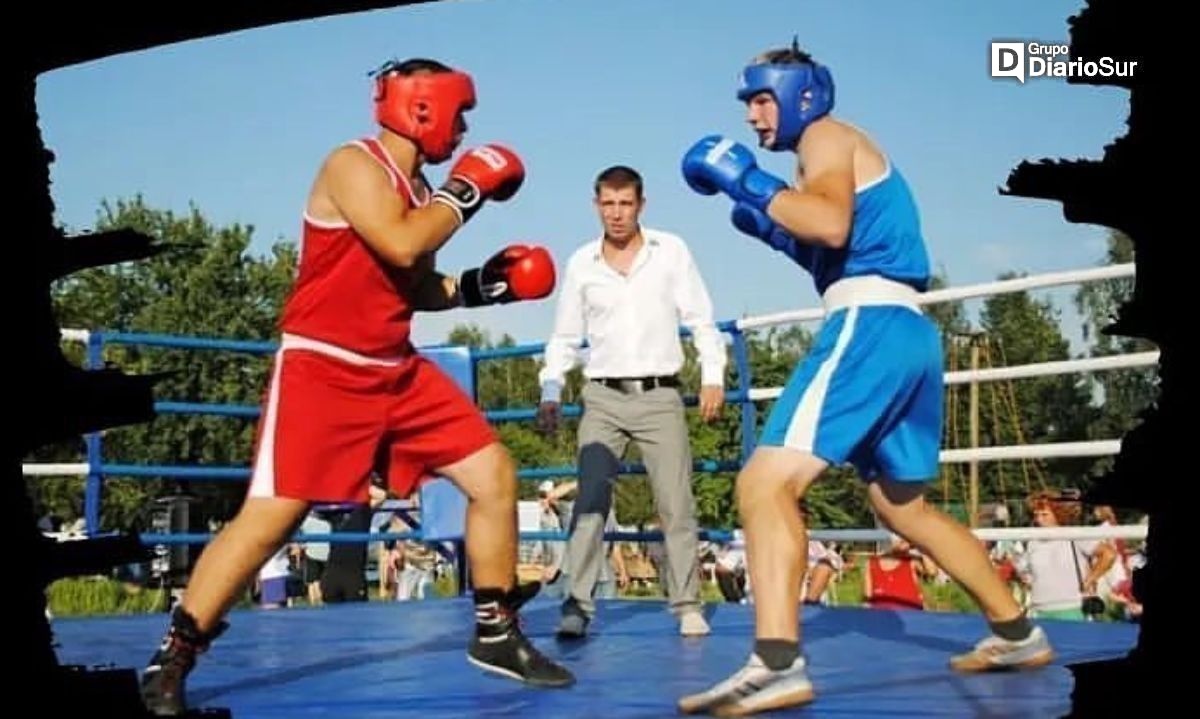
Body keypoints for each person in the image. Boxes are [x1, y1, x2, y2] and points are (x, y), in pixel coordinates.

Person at [138, 57, 574, 716]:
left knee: (493, 473)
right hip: (323, 368)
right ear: (423, 107)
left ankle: (495, 629)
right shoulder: (354, 166)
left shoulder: (423, 186)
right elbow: (400, 244)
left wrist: (486, 283)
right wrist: (467, 188)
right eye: (459, 115)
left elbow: (416, 283)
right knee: (269, 522)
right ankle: (174, 654)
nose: (462, 130)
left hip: (394, 368)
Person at [675, 40, 1055, 715]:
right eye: (747, 104)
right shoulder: (830, 154)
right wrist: (770, 223)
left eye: (761, 100)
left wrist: (747, 182)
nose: (753, 118)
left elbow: (827, 222)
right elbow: (838, 242)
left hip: (870, 324)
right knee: (900, 505)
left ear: (802, 94)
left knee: (764, 482)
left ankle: (776, 663)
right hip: (908, 331)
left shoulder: (826, 135)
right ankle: (1016, 631)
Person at [536, 165, 725, 638]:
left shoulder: (671, 251)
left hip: (660, 394)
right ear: (595, 205)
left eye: (625, 204)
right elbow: (564, 334)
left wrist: (713, 374)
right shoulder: (581, 262)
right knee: (590, 501)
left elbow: (701, 318)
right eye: (608, 203)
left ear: (641, 205)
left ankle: (686, 604)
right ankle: (577, 604)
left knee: (676, 503)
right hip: (601, 397)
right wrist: (551, 388)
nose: (616, 214)